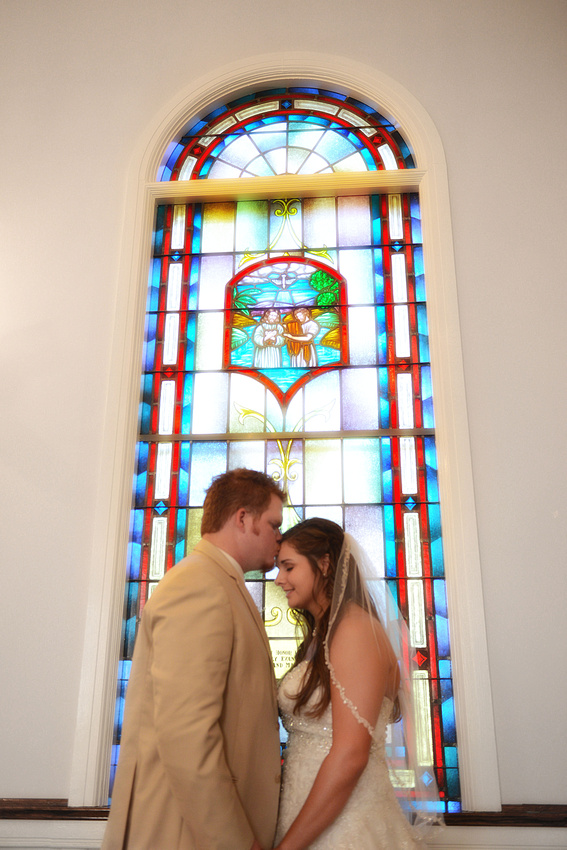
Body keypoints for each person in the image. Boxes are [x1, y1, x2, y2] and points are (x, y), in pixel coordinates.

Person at [102, 468, 285, 850]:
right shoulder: (199, 584)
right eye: (273, 525)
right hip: (186, 834)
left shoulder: (219, 581)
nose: (279, 538)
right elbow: (187, 732)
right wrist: (236, 843)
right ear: (243, 518)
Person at [273, 518, 442, 849]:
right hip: (305, 815)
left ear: (324, 564)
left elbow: (351, 754)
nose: (279, 579)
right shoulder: (321, 636)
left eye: (288, 567)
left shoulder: (354, 630)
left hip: (348, 825)